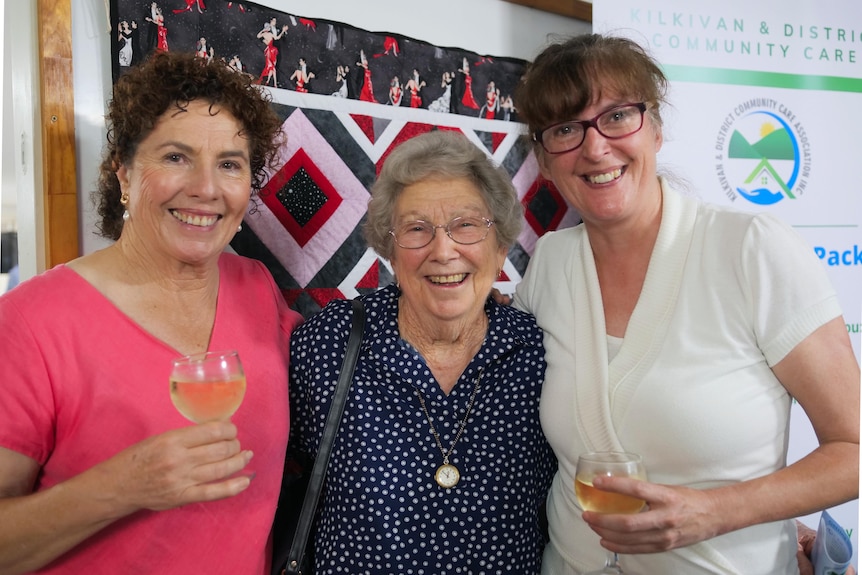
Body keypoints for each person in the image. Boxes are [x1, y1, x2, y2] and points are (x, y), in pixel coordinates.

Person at [512, 33, 860, 574]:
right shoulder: (550, 264)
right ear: (544, 158)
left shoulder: (750, 250)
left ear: (655, 126)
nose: (595, 146)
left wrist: (717, 512)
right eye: (565, 129)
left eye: (617, 116)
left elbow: (854, 448)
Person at [0, 51, 303, 574]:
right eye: (176, 157)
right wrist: (123, 485)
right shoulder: (30, 323)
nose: (206, 188)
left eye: (229, 164)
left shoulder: (257, 289)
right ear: (123, 173)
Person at [288, 130, 555, 574]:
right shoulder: (329, 342)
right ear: (390, 250)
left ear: (501, 246)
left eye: (466, 225)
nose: (443, 250)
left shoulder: (539, 352)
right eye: (417, 229)